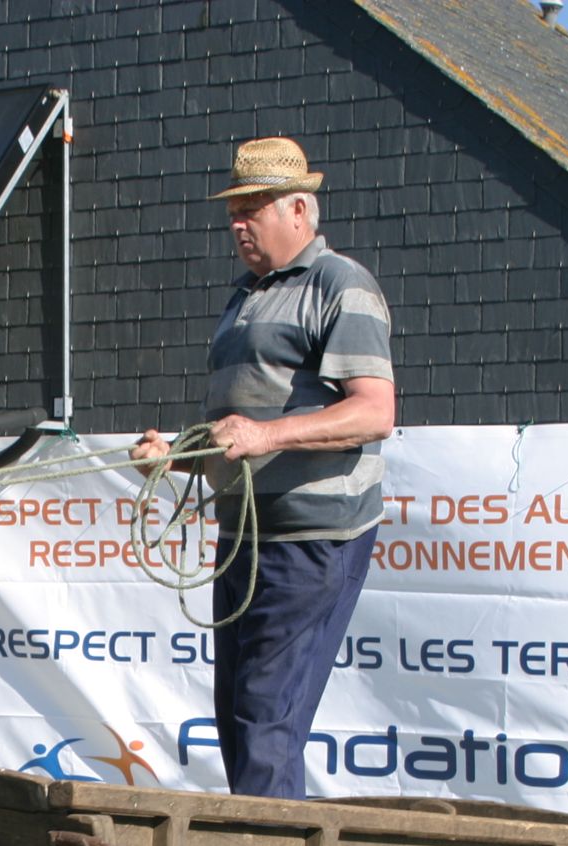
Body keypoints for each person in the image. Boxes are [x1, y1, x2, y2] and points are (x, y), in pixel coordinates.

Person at [135, 136, 396, 799]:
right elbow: (235, 433)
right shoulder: (244, 296)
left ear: (300, 210)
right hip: (245, 536)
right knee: (239, 718)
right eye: (234, 210)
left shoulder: (343, 285)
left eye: (254, 208)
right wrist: (174, 461)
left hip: (314, 539)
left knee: (264, 718)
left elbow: (373, 412)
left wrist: (266, 433)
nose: (238, 223)